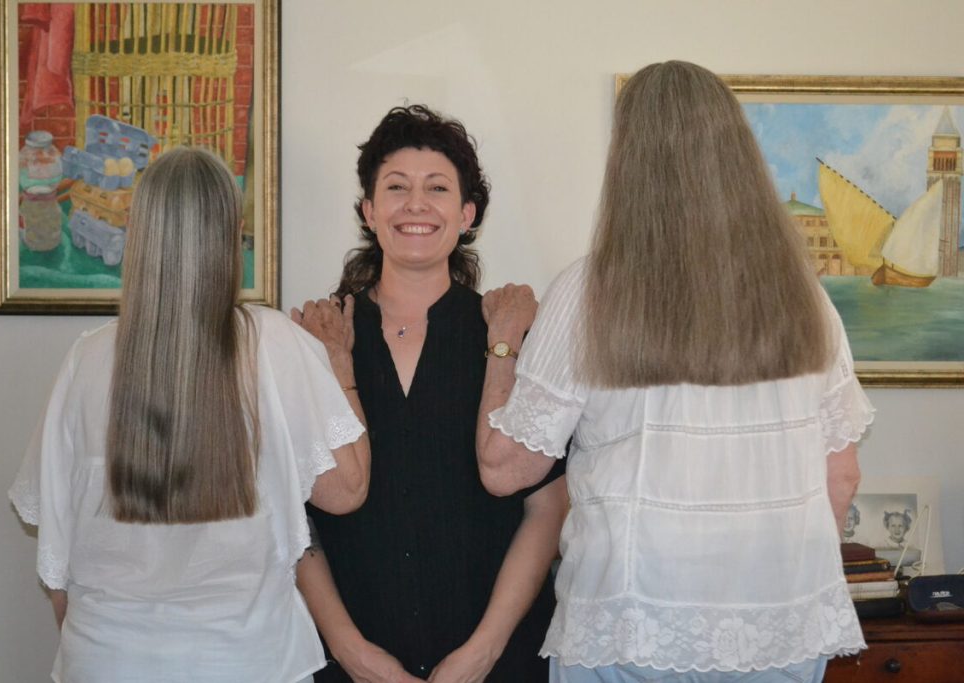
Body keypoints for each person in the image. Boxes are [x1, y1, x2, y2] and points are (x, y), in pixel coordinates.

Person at [476, 61, 875, 682]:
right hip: (780, 630)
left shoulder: (590, 291)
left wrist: (502, 345)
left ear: (629, 162)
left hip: (631, 626)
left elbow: (506, 469)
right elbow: (841, 475)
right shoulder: (805, 296)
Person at [8, 147, 371, 683]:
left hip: (106, 658)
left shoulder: (86, 358)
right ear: (231, 234)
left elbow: (56, 558)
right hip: (247, 661)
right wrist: (339, 361)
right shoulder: (275, 343)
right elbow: (346, 490)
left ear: (139, 233)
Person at [292, 104, 569, 682]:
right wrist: (349, 650)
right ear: (369, 211)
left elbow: (547, 507)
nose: (415, 204)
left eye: (437, 188)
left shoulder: (514, 334)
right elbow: (289, 516)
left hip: (500, 661)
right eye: (396, 187)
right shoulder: (314, 342)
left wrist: (485, 650)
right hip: (351, 663)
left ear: (467, 214)